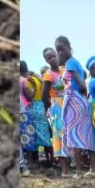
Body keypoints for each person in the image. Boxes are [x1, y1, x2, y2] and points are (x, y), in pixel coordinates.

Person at [55, 36, 94, 178]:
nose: (60, 53)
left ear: (69, 47)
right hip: (80, 100)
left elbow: (82, 84)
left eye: (62, 49)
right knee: (85, 134)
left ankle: (78, 172)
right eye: (57, 50)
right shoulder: (75, 62)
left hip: (74, 100)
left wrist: (77, 96)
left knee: (74, 135)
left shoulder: (70, 64)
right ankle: (93, 169)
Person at [42, 48, 70, 177]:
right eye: (49, 57)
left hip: (69, 104)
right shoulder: (48, 75)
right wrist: (50, 106)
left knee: (69, 134)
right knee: (59, 136)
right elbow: (44, 95)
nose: (52, 58)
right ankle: (65, 170)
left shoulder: (65, 70)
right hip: (57, 108)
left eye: (54, 55)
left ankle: (72, 165)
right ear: (46, 60)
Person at [19, 61, 37, 164]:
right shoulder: (24, 80)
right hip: (24, 109)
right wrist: (34, 89)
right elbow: (29, 97)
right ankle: (30, 161)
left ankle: (23, 161)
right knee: (27, 134)